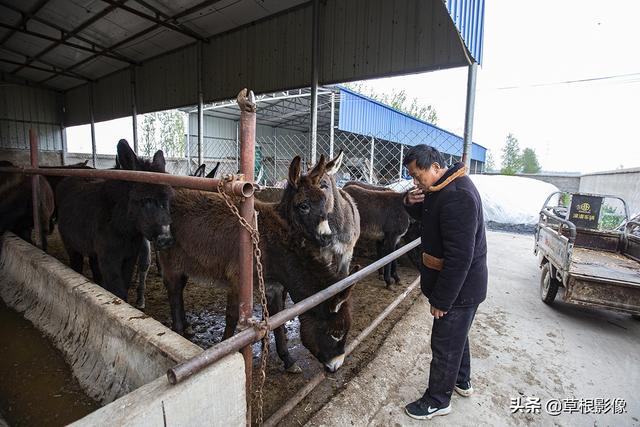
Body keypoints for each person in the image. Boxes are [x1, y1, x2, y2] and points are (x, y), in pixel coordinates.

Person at [402, 145, 488, 420]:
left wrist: (442, 300)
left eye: (418, 175)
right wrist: (410, 202)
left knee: (444, 343)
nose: (417, 182)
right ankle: (462, 381)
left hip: (460, 289)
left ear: (436, 167)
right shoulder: (442, 189)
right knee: (456, 337)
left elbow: (460, 257)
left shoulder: (458, 196)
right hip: (462, 287)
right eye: (413, 177)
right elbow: (431, 218)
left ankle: (438, 399)